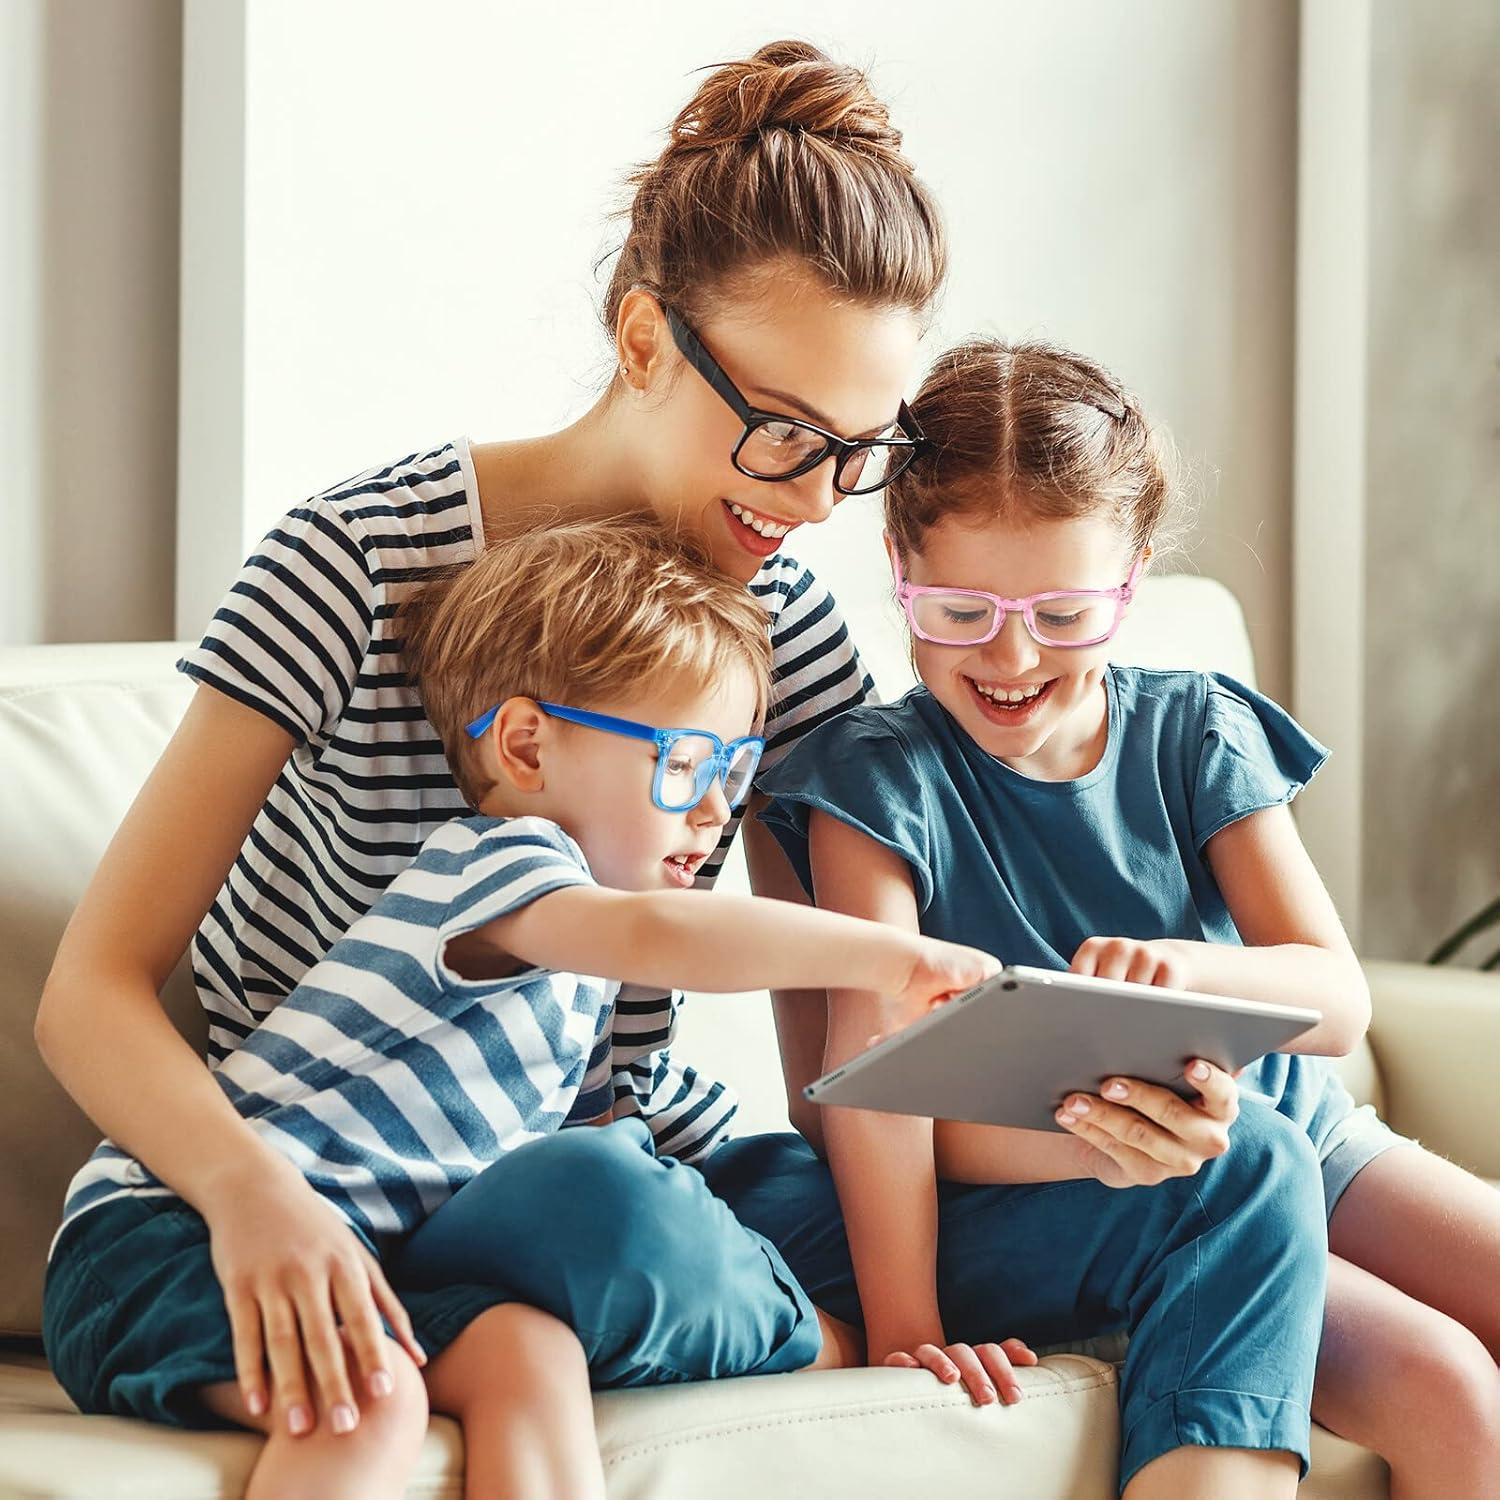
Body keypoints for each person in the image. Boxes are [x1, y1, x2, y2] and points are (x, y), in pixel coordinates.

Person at [43, 518, 1001, 1500]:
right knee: (368, 1401)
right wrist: (892, 955)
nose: (716, 813)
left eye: (733, 773)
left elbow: (676, 1142)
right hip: (164, 1239)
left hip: (361, 1262)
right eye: (684, 764)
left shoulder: (572, 994)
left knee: (529, 1356)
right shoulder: (500, 863)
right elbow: (661, 937)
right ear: (527, 745)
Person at [758, 335, 1500, 1496]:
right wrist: (911, 1327)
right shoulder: (874, 783)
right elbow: (873, 1085)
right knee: (1454, 1391)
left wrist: (1176, 974)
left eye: (1062, 613)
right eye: (957, 610)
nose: (1009, 657)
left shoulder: (1193, 728)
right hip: (1094, 1178)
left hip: (1300, 1130)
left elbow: (1335, 1002)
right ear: (900, 562)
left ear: (1135, 574)